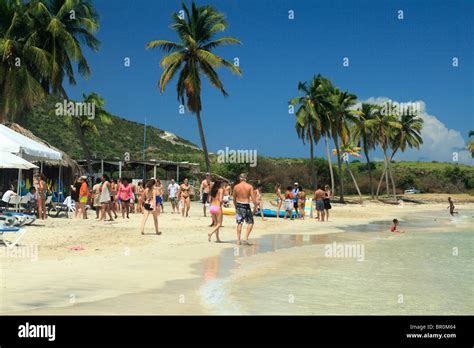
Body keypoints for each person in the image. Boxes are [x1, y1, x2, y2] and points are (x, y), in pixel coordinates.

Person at [233, 173, 257, 245]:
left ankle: (238, 240)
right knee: (250, 222)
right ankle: (245, 238)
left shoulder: (236, 187)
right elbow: (253, 198)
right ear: (246, 178)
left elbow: (234, 198)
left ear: (240, 178)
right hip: (246, 205)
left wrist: (235, 207)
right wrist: (255, 207)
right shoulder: (249, 186)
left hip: (239, 205)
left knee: (239, 223)